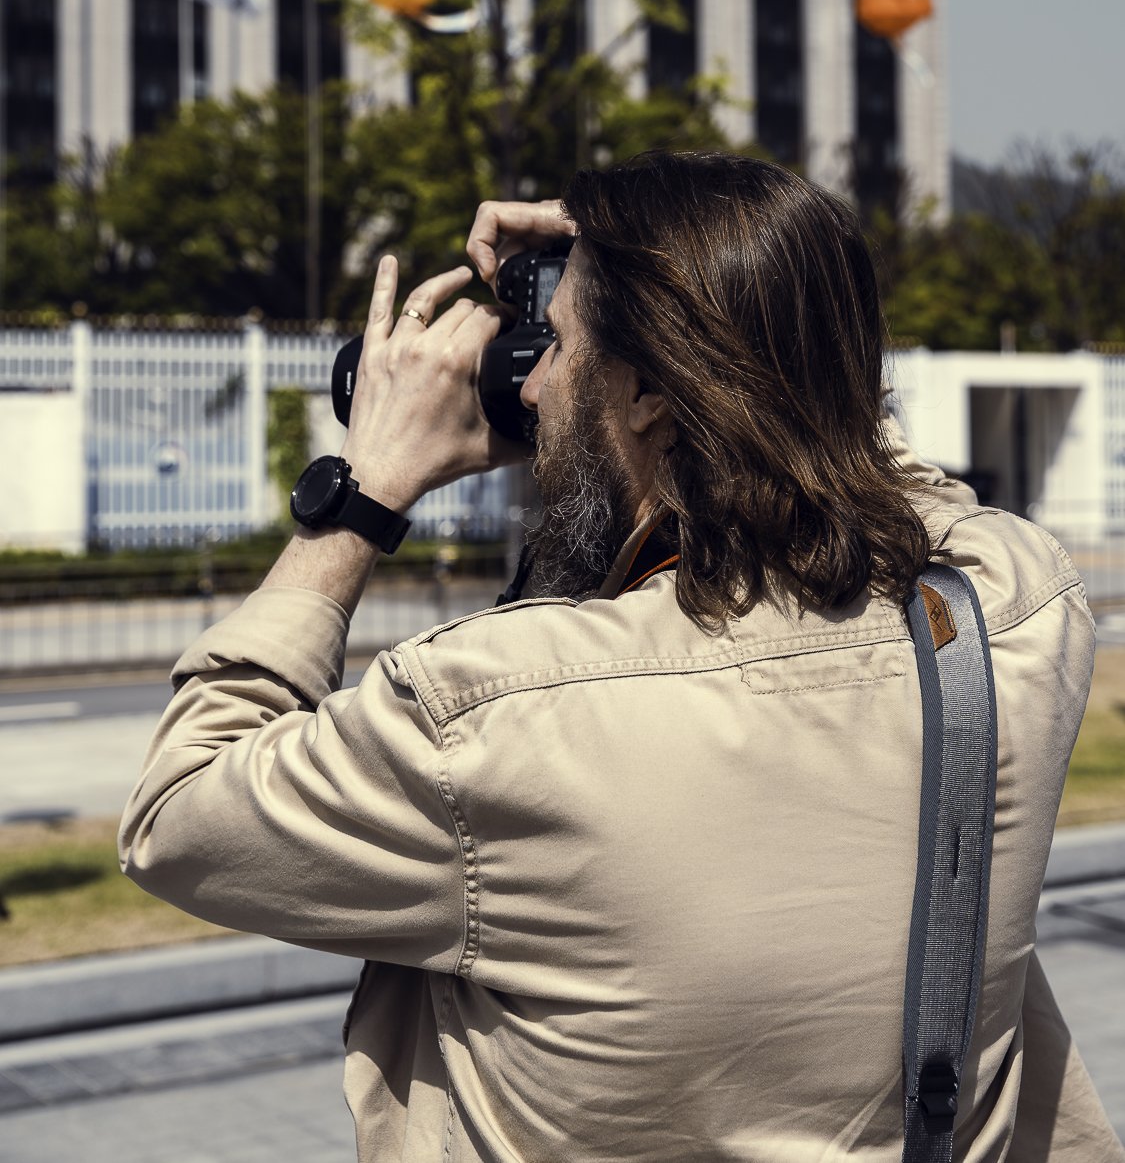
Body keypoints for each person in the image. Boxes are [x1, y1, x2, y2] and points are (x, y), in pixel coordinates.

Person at [120, 152, 1123, 1162]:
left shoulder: (494, 719)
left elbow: (180, 814)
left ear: (645, 390)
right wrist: (696, 260)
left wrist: (363, 490)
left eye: (554, 345)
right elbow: (875, 465)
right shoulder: (1010, 615)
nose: (532, 385)